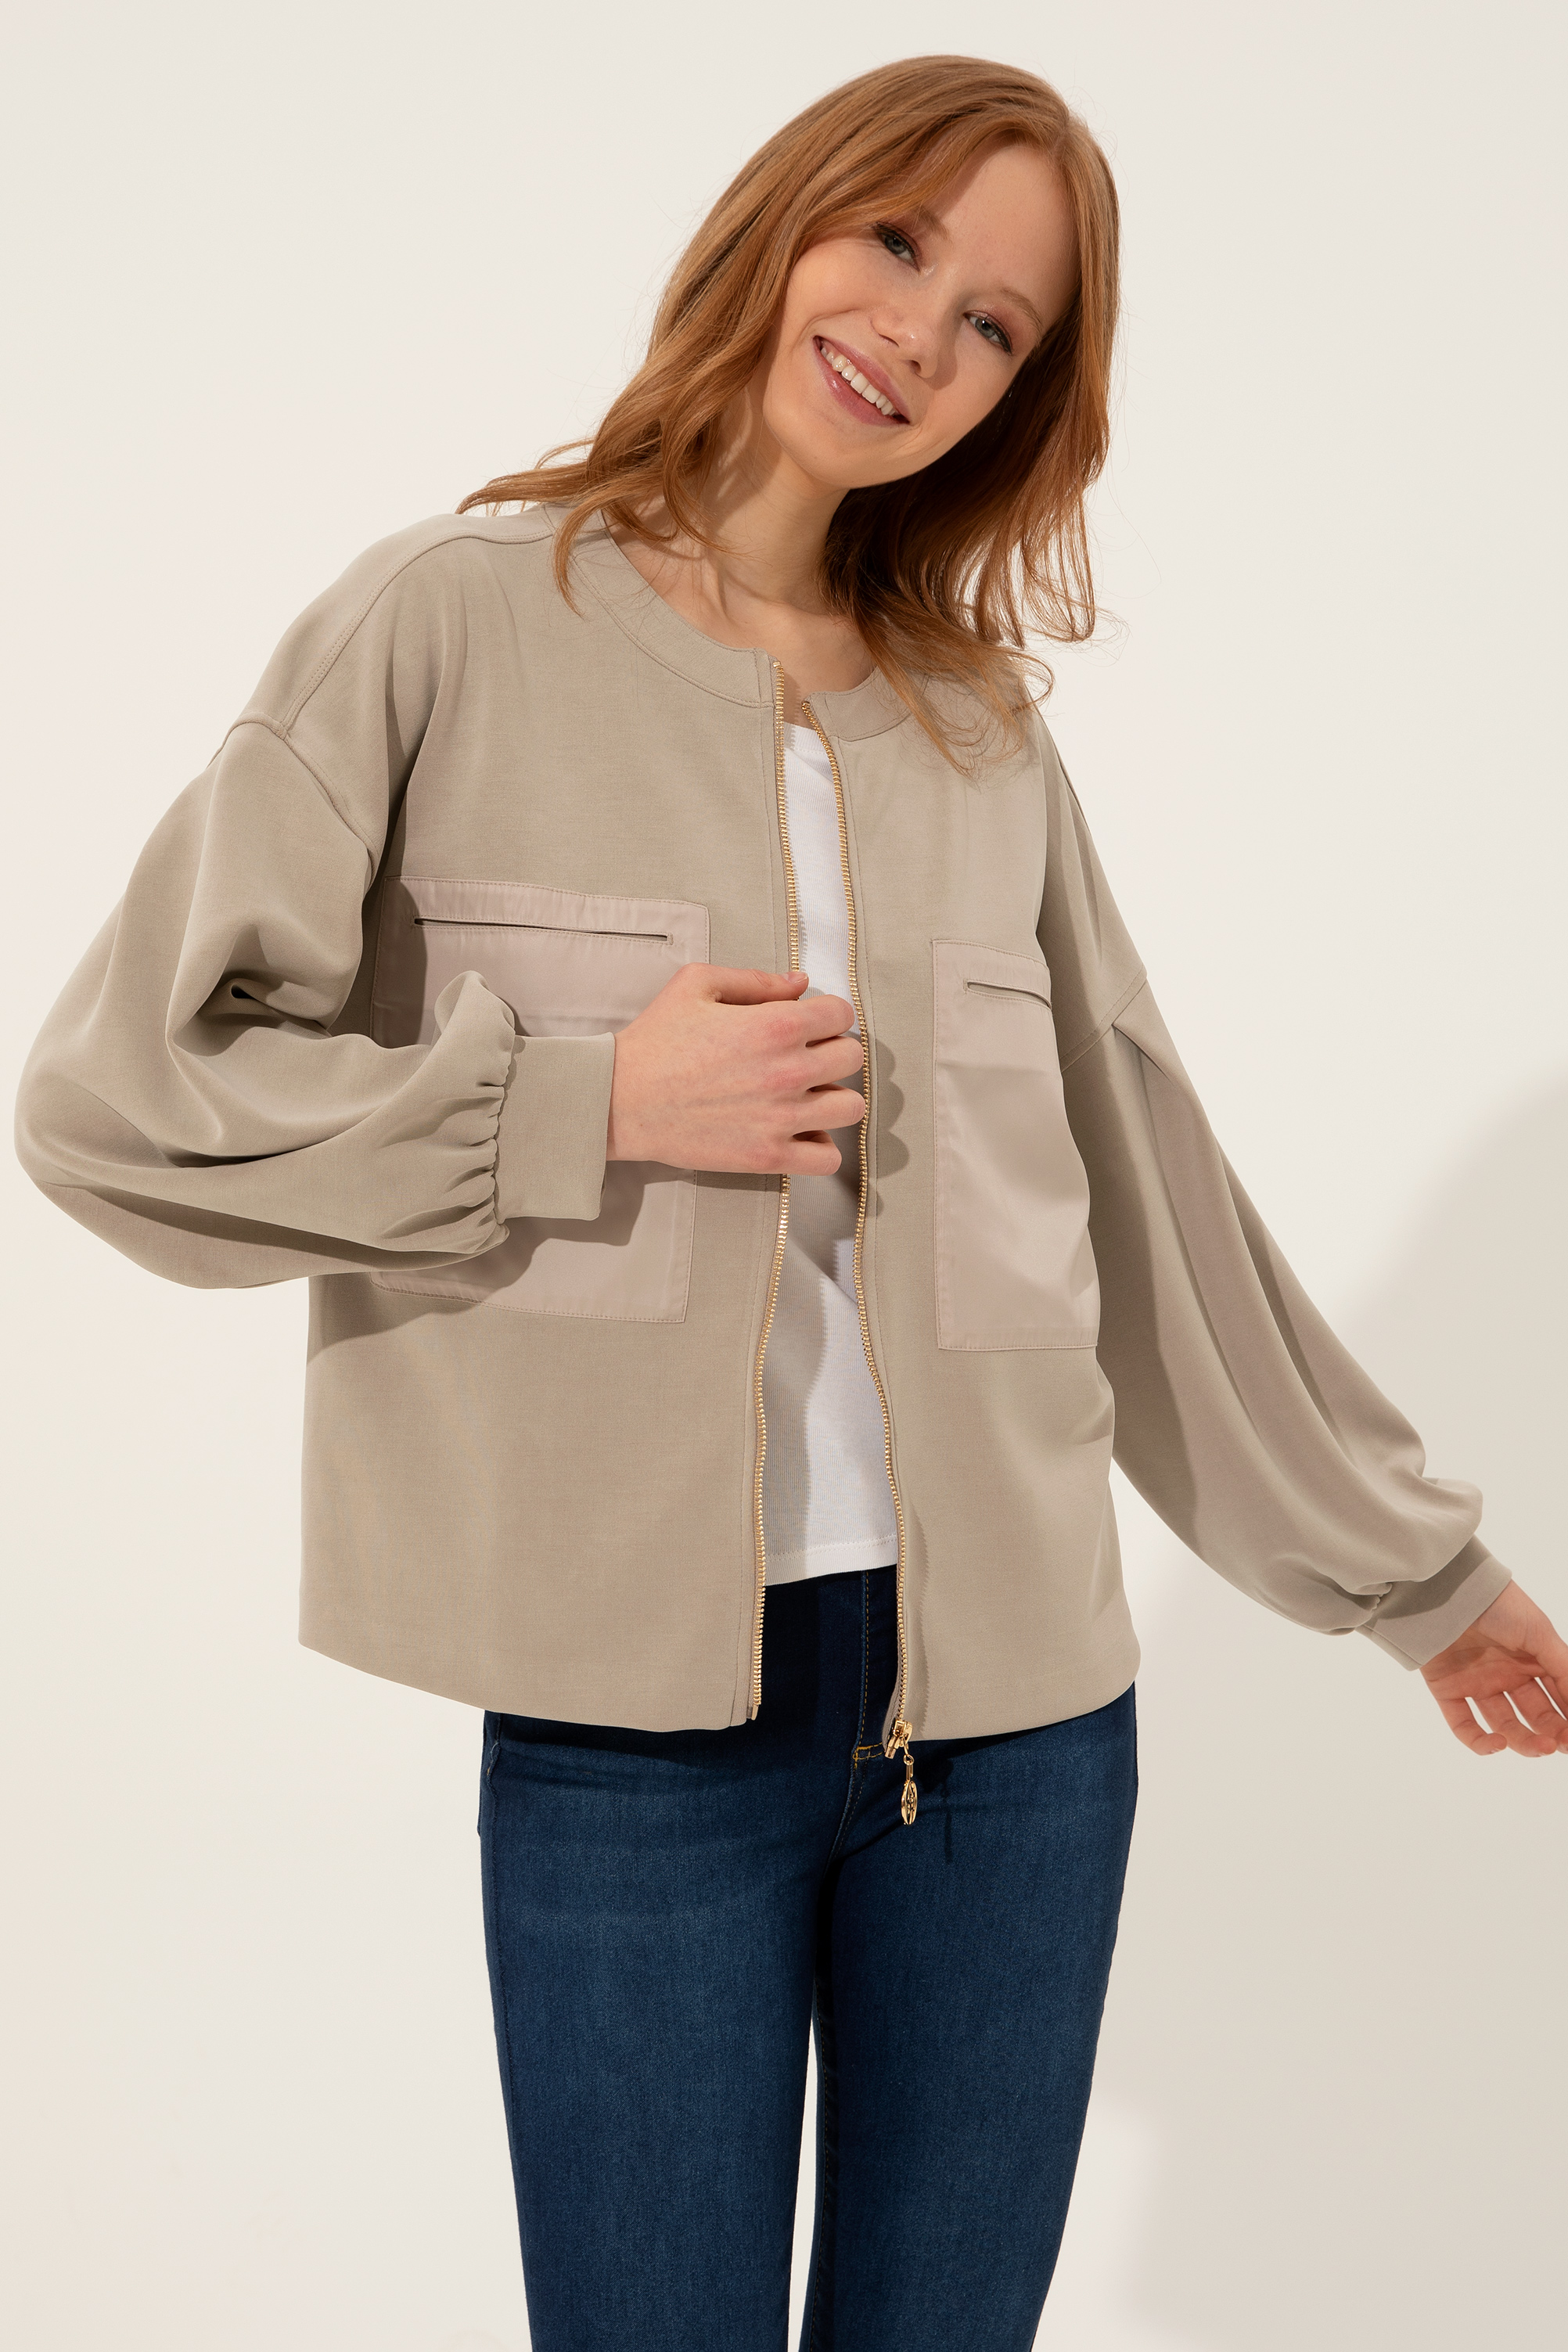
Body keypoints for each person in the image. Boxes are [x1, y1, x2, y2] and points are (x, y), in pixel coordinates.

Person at [15, 51, 1566, 2352]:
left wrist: (1417, 1579)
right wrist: (585, 1104)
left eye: (998, 324)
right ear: (788, 215)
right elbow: (123, 1100)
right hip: (636, 1741)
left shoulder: (974, 727)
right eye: (899, 241)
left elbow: (1141, 1196)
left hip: (1020, 1736)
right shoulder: (444, 620)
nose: (921, 332)